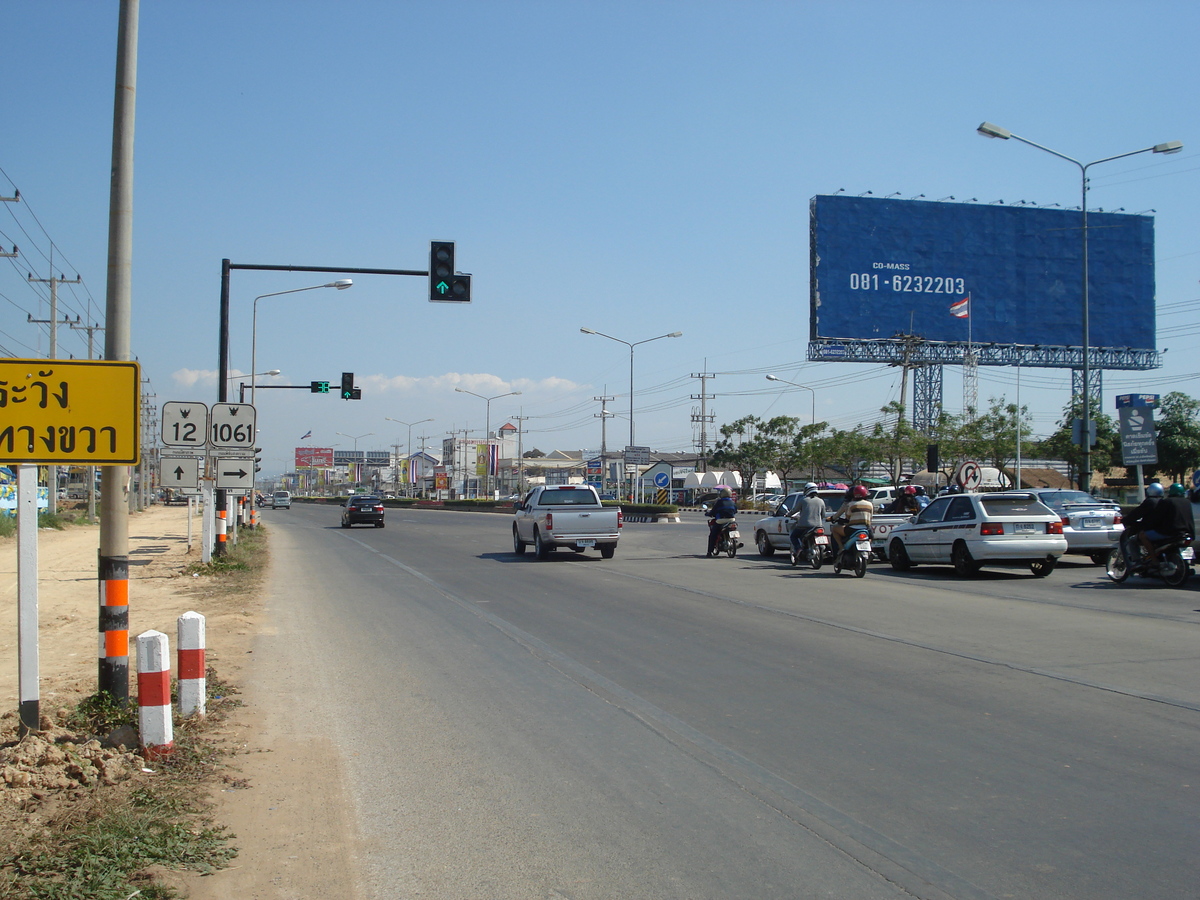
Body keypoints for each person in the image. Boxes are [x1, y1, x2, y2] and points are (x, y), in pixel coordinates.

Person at [1140, 483, 1195, 565]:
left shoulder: (1167, 502)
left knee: (1142, 535)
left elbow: (1157, 518)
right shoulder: (1187, 502)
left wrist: (1147, 525)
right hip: (1187, 532)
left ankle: (1154, 560)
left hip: (1170, 532)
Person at [788, 483, 828, 560]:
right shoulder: (821, 501)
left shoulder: (803, 500)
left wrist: (788, 514)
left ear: (807, 490)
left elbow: (794, 510)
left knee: (794, 536)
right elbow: (823, 515)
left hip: (804, 526)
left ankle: (798, 549)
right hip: (818, 526)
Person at [831, 484, 873, 555]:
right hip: (866, 529)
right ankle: (869, 549)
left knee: (834, 529)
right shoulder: (870, 504)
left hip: (852, 529)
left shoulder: (850, 504)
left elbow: (848, 517)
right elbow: (870, 517)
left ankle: (841, 547)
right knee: (871, 537)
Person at [705, 488, 739, 557]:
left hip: (721, 521)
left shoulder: (719, 502)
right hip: (731, 520)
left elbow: (713, 511)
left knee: (712, 535)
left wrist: (708, 513)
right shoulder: (732, 502)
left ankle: (709, 552)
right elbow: (735, 511)